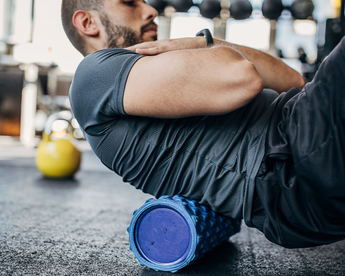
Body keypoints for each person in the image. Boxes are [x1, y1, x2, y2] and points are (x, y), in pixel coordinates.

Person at [61, 0, 345, 248]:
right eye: (129, 2)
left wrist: (205, 42)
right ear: (87, 22)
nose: (150, 10)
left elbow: (292, 81)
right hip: (289, 162)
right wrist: (197, 44)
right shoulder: (94, 74)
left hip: (299, 148)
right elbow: (243, 78)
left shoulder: (131, 77)